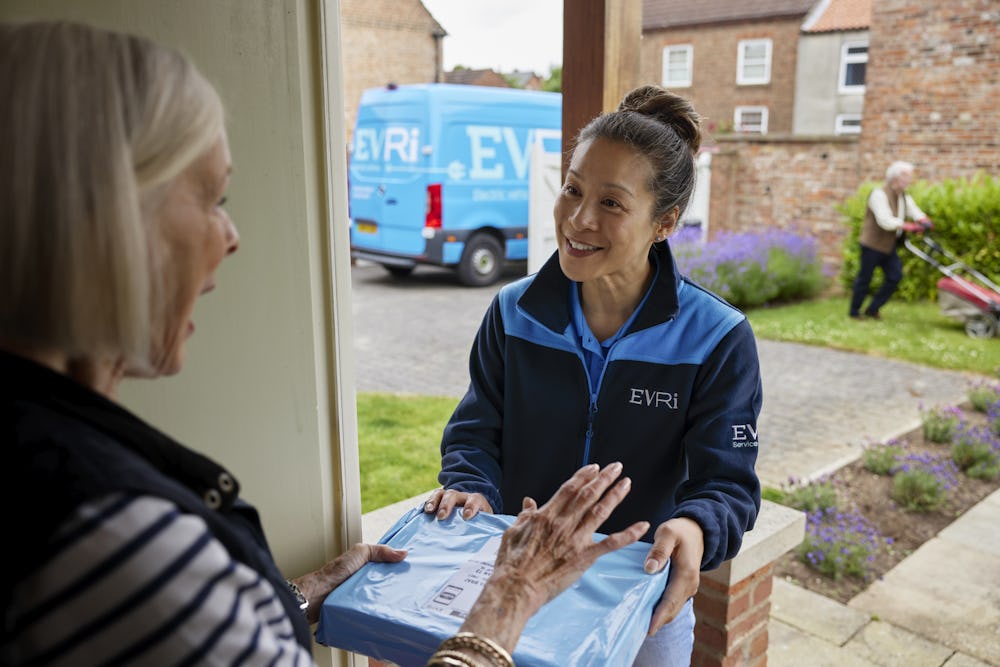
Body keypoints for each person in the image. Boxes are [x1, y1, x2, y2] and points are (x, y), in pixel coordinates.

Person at [0, 21, 649, 667]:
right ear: (103, 218)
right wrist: (513, 589)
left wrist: (291, 595)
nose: (231, 236)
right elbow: (476, 427)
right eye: (213, 196)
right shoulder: (113, 538)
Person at [424, 85, 763, 667]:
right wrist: (471, 483)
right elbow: (477, 430)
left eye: (612, 203)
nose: (578, 219)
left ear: (665, 222)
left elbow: (727, 485)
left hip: (639, 604)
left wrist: (696, 526)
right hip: (514, 591)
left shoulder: (717, 337)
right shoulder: (512, 313)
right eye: (573, 189)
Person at [849, 161, 933, 320]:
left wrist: (923, 220)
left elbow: (913, 210)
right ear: (895, 179)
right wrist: (909, 226)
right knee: (864, 279)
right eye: (906, 177)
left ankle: (873, 309)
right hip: (872, 245)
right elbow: (885, 221)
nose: (909, 181)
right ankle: (854, 312)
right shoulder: (878, 194)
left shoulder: (902, 195)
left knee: (895, 276)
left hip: (888, 246)